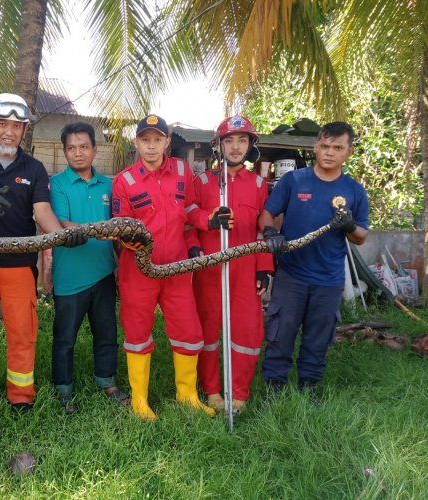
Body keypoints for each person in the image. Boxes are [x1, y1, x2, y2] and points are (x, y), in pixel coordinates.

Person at [0, 93, 87, 419]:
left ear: (25, 129)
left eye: (16, 125)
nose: (9, 132)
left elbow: (41, 211)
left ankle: (22, 397)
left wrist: (61, 236)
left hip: (20, 267)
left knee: (23, 336)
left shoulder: (34, 168)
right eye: (3, 124)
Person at [112, 114, 216, 421]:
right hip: (139, 270)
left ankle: (187, 395)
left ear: (167, 142)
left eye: (158, 139)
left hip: (179, 267)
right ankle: (140, 401)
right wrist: (132, 242)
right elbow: (121, 229)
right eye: (145, 140)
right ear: (136, 143)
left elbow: (191, 209)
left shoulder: (184, 171)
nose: (152, 146)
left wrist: (207, 221)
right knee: (137, 330)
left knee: (188, 329)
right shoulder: (125, 181)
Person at [260, 121, 369, 394]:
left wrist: (348, 225)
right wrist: (270, 231)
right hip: (291, 275)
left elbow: (361, 236)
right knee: (280, 334)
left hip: (329, 279)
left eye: (337, 147)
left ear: (349, 152)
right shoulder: (294, 181)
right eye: (324, 146)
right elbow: (266, 213)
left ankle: (308, 389)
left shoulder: (355, 191)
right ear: (315, 147)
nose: (329, 152)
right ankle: (274, 390)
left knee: (318, 339)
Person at [189, 115, 274, 413]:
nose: (235, 147)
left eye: (242, 140)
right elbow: (190, 221)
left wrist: (264, 266)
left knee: (247, 331)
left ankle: (239, 393)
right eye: (229, 140)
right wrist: (196, 245)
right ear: (219, 145)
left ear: (251, 145)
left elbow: (265, 230)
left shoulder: (261, 184)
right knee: (208, 329)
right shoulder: (202, 182)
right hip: (210, 267)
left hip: (245, 268)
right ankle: (212, 389)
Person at [49, 122, 129, 414]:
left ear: (95, 150)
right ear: (65, 151)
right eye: (72, 148)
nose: (78, 153)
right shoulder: (57, 184)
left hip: (105, 272)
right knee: (64, 336)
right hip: (69, 275)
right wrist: (103, 230)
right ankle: (63, 388)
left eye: (84, 147)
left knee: (107, 333)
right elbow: (63, 223)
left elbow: (121, 225)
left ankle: (107, 380)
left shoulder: (111, 185)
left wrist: (119, 245)